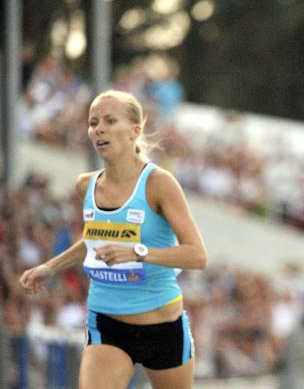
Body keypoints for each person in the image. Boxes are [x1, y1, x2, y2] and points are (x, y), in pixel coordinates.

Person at [19, 90, 208, 389]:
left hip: (161, 326)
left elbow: (197, 255)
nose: (99, 129)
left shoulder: (159, 183)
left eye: (110, 120)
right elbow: (93, 241)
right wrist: (50, 267)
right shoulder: (86, 185)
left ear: (135, 130)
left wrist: (138, 252)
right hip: (107, 322)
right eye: (93, 123)